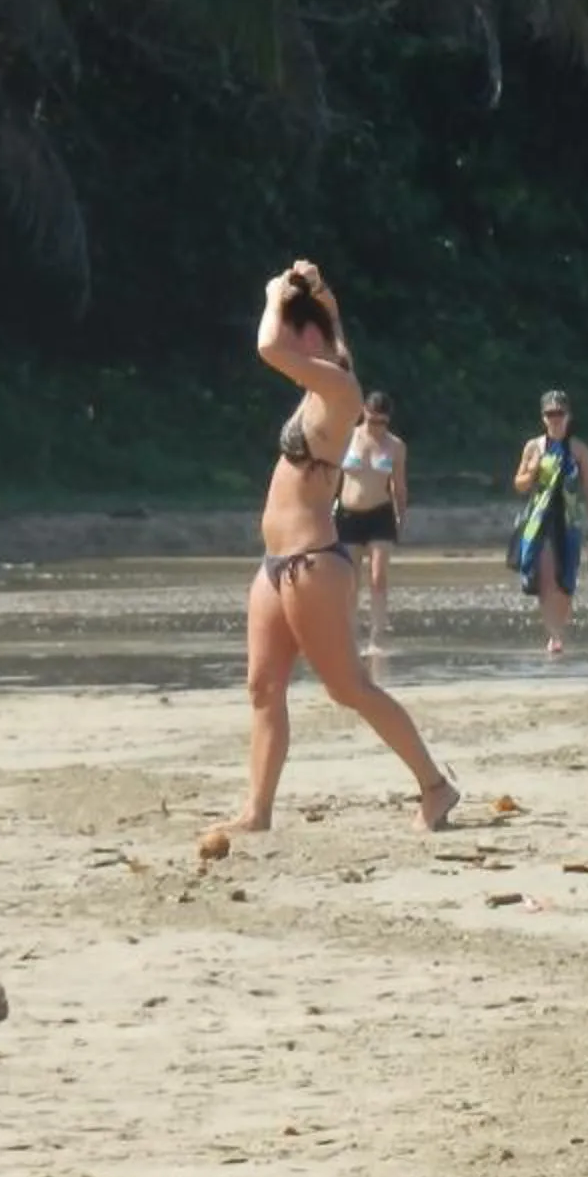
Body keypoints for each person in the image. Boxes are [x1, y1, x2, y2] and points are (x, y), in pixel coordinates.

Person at [223, 263, 459, 838]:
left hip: (313, 563)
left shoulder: (341, 391)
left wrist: (273, 295)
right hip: (274, 565)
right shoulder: (324, 381)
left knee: (348, 686)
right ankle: (257, 810)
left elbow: (265, 346)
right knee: (263, 686)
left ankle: (435, 785)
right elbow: (324, 341)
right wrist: (324, 299)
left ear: (306, 340)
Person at [512, 391, 588, 657]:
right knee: (546, 575)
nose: (555, 419)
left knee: (566, 580)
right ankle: (553, 635)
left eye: (559, 414)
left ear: (568, 416)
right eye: (549, 414)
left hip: (569, 520)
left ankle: (559, 628)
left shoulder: (579, 450)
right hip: (539, 519)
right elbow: (519, 485)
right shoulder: (533, 447)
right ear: (543, 418)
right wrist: (532, 470)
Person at [333, 391, 408, 647]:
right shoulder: (347, 437)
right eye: (372, 421)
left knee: (378, 576)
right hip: (348, 513)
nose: (377, 428)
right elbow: (331, 476)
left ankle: (377, 636)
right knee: (350, 578)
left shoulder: (395, 446)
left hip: (380, 513)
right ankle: (348, 635)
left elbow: (399, 485)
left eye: (382, 423)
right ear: (364, 413)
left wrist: (401, 515)